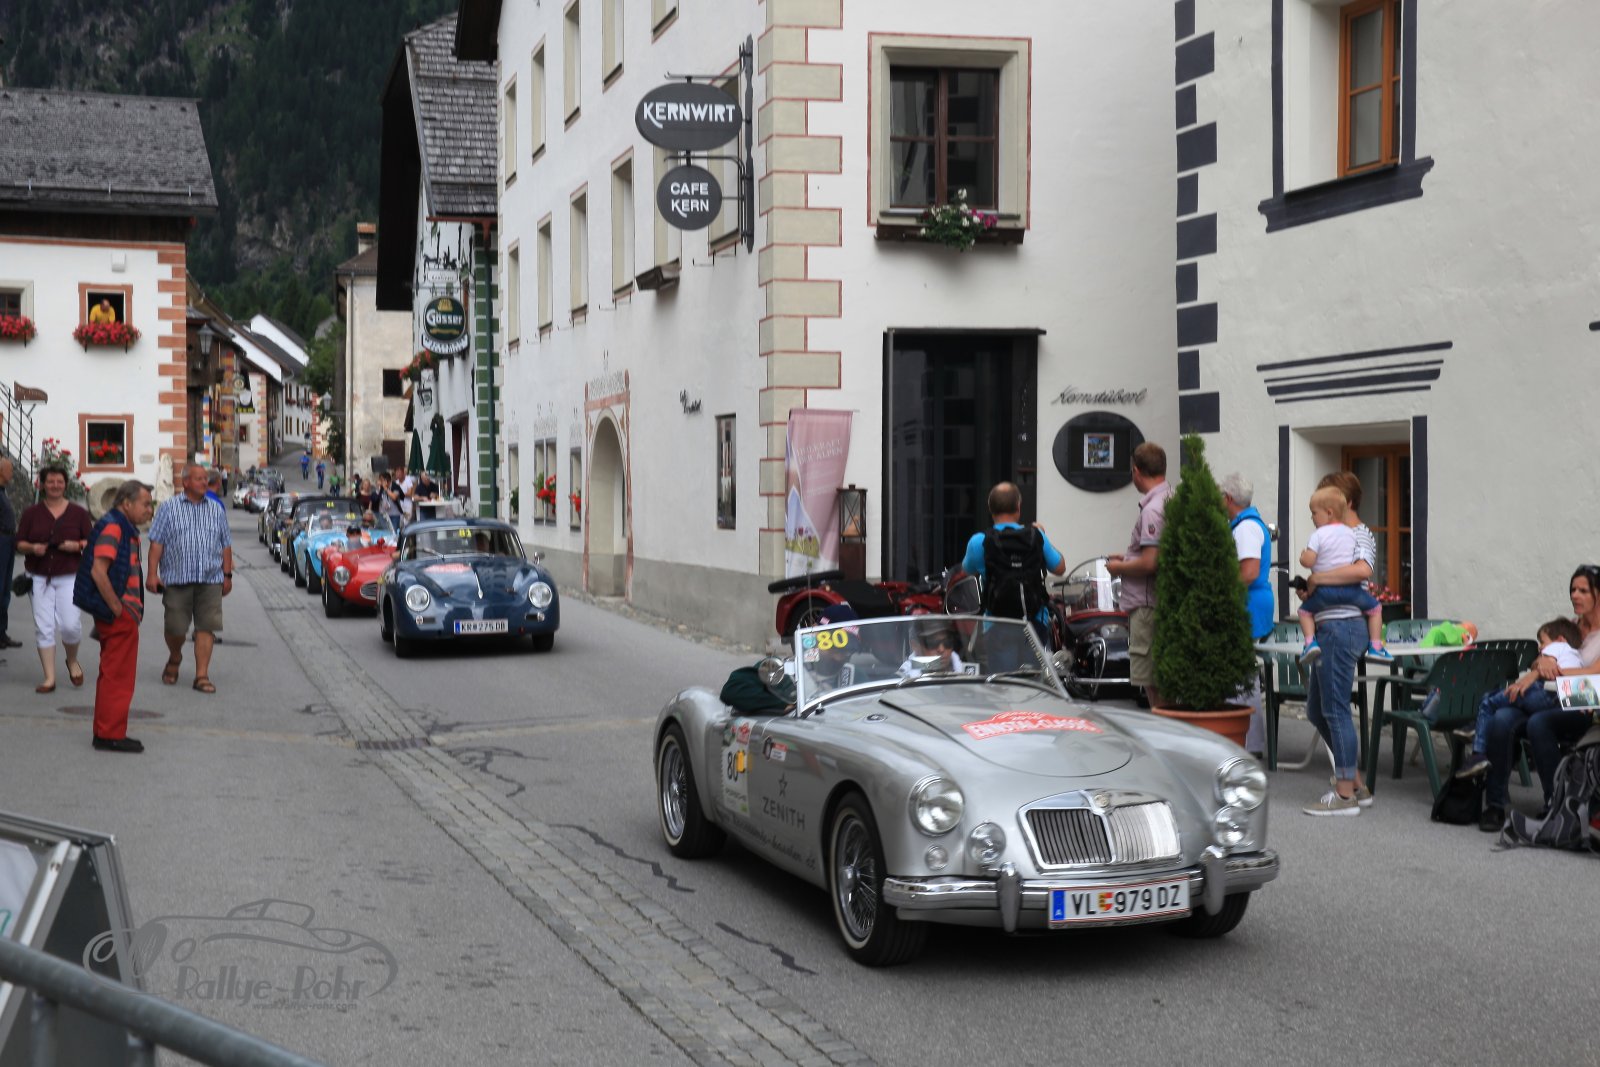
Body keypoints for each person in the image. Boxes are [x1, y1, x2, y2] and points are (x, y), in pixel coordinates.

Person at [1475, 565, 1600, 831]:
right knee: (1502, 717)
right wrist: (1539, 666)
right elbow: (1541, 659)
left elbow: (1592, 672)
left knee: (1538, 723)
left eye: (1583, 590)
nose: (1575, 595)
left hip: (1584, 702)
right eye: (1573, 590)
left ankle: (1556, 803)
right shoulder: (1571, 626)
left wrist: (1542, 672)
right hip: (1549, 696)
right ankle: (1495, 804)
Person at [1294, 472, 1376, 816]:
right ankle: (1354, 782)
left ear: (1344, 503)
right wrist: (1313, 590)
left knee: (1336, 709)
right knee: (1317, 709)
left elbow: (1362, 571)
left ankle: (1344, 796)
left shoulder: (1358, 533)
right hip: (1331, 623)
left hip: (1341, 626)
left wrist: (1318, 579)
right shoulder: (1334, 534)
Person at [74, 479, 154, 753]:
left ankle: (105, 731)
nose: (149, 510)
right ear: (127, 503)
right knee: (118, 676)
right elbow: (98, 571)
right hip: (121, 614)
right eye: (145, 504)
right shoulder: (115, 526)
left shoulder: (118, 525)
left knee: (112, 674)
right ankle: (110, 734)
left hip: (122, 613)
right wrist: (117, 609)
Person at [1456, 617, 1584, 780]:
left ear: (1560, 639)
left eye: (1542, 642)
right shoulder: (1577, 656)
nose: (1540, 647)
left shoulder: (1559, 646)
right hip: (1560, 700)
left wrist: (1538, 667)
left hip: (1543, 692)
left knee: (1489, 701)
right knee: (1500, 702)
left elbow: (1544, 663)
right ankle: (1484, 730)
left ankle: (1478, 753)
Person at [147, 463, 234, 694]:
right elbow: (156, 543)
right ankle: (175, 656)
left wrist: (227, 575)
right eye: (199, 479)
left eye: (206, 479)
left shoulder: (216, 509)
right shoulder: (168, 508)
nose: (205, 482)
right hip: (177, 579)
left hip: (210, 579)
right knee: (175, 628)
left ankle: (201, 676)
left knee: (207, 627)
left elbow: (225, 544)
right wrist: (152, 574)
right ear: (185, 482)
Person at [15, 465, 94, 692]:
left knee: (71, 626)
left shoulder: (78, 513)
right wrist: (32, 548)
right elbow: (19, 543)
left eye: (59, 481)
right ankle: (49, 678)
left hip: (69, 575)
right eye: (50, 481)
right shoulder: (31, 513)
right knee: (44, 627)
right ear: (42, 484)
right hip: (38, 577)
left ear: (65, 485)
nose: (55, 485)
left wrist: (77, 545)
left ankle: (72, 659)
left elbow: (92, 541)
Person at [1105, 443, 1172, 708]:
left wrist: (1118, 568)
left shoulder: (1153, 509)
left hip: (1146, 605)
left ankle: (1162, 731)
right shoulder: (1170, 497)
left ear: (1136, 471)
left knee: (1152, 683)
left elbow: (1150, 562)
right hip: (1160, 600)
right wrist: (1128, 558)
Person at [1294, 486, 1391, 666]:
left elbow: (1308, 561)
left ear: (1329, 513)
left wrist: (1302, 556)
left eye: (1314, 513)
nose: (1312, 518)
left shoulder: (1318, 535)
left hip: (1325, 594)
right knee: (1375, 609)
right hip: (1352, 592)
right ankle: (1376, 646)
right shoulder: (1351, 534)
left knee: (1304, 611)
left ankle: (1309, 643)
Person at [961, 482, 1066, 642]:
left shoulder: (978, 542)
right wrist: (1042, 536)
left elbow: (966, 570)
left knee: (1000, 660)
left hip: (996, 625)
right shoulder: (1036, 535)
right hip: (1034, 623)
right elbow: (1060, 568)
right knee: (1035, 660)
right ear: (1018, 507)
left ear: (990, 509)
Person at [1221, 472, 1274, 758]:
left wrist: (1219, 589)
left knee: (1242, 675)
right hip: (1252, 603)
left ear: (1228, 498)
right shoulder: (1249, 524)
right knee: (1243, 673)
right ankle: (1248, 741)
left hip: (1248, 604)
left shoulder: (1245, 528)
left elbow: (1249, 572)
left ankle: (1250, 743)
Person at [898, 619, 966, 679]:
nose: (941, 649)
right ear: (915, 646)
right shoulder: (901, 678)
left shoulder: (966, 672)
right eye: (932, 643)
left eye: (947, 642)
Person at [0, 453, 20, 651]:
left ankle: (2, 632)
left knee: (5, 589)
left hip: (8, 541)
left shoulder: (3, 492)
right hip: (2, 541)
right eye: (10, 469)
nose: (12, 472)